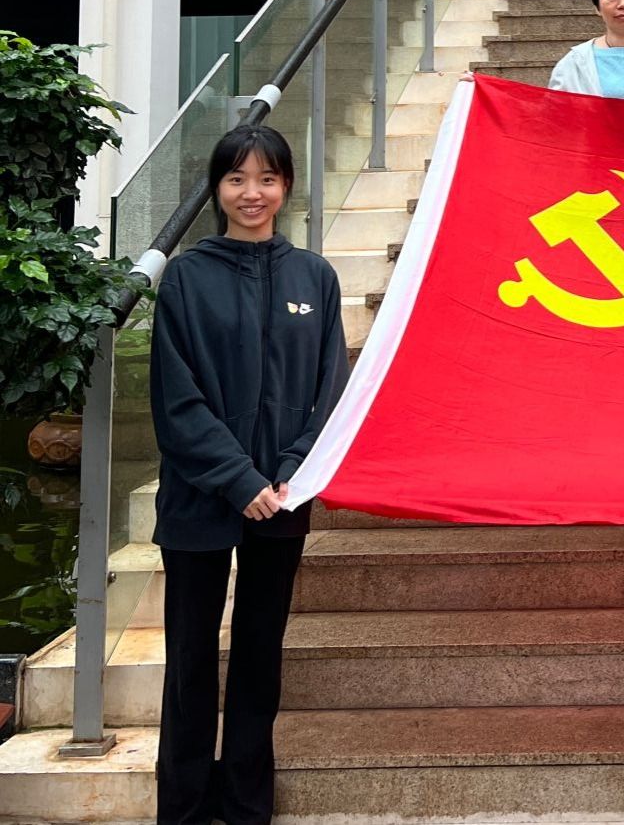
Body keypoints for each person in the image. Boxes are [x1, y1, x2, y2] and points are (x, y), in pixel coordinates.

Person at [150, 124, 348, 825]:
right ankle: (182, 806)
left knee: (260, 655)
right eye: (237, 179)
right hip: (199, 498)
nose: (252, 193)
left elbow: (332, 392)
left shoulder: (315, 278)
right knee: (191, 658)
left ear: (286, 186)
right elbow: (176, 401)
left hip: (284, 497)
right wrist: (239, 479)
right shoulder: (185, 278)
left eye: (266, 178)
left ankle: (245, 804)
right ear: (217, 189)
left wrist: (291, 473)